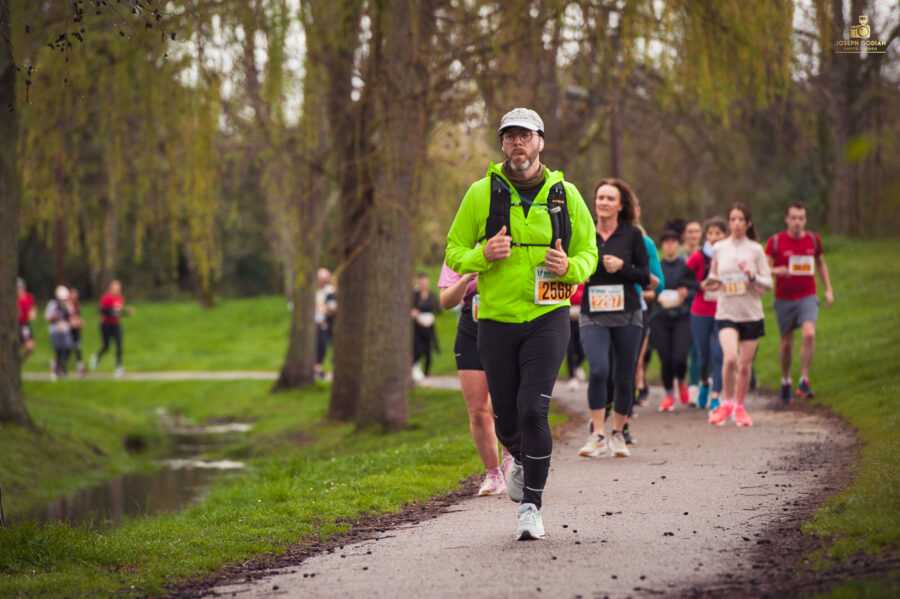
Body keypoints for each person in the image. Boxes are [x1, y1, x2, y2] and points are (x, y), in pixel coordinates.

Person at [446, 107, 598, 541]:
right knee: (507, 416)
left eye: (525, 136)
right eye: (510, 136)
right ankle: (519, 456)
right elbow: (454, 250)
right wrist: (482, 257)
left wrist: (569, 267)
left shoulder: (565, 195)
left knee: (535, 408)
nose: (518, 143)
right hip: (496, 320)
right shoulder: (480, 193)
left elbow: (589, 252)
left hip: (548, 318)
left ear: (540, 143)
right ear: (502, 145)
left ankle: (531, 506)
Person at [577, 178, 649, 459]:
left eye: (610, 198)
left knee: (624, 375)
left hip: (628, 314)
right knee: (597, 370)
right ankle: (596, 435)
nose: (604, 202)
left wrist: (623, 267)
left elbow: (645, 277)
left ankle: (617, 434)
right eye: (600, 197)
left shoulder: (632, 235)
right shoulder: (584, 234)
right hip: (593, 313)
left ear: (621, 205)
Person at [438, 263, 514, 496]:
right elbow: (445, 301)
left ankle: (511, 456)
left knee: (504, 402)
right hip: (472, 327)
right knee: (477, 410)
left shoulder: (515, 237)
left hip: (507, 325)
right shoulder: (462, 247)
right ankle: (493, 474)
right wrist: (466, 279)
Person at [703, 204, 773, 427]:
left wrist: (752, 276)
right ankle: (726, 402)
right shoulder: (719, 248)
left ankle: (740, 407)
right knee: (730, 358)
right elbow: (712, 276)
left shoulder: (755, 250)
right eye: (732, 219)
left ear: (748, 223)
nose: (735, 223)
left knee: (744, 365)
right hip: (726, 312)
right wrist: (711, 284)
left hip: (750, 314)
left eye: (740, 219)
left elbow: (769, 283)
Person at [765, 202, 834, 403]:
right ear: (787, 219)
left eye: (801, 218)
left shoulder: (814, 240)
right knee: (786, 343)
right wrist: (776, 270)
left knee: (809, 333)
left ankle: (804, 380)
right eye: (793, 218)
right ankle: (786, 379)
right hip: (784, 298)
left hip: (808, 296)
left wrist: (828, 289)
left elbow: (820, 262)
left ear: (805, 219)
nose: (797, 222)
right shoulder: (776, 241)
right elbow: (763, 266)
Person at [652, 230, 698, 411]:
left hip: (682, 316)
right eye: (666, 242)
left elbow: (696, 288)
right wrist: (655, 295)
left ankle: (681, 380)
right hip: (660, 316)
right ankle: (669, 395)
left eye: (673, 241)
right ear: (662, 246)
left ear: (679, 245)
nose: (670, 245)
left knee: (679, 356)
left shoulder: (686, 266)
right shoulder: (657, 267)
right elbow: (648, 288)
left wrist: (687, 293)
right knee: (665, 357)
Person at [686, 217, 728, 410]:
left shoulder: (730, 255)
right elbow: (682, 278)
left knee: (719, 354)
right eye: (710, 233)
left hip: (724, 311)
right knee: (703, 354)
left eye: (718, 233)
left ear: (725, 235)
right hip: (701, 312)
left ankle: (716, 396)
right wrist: (699, 285)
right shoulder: (698, 257)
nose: (713, 237)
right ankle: (704, 383)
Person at [681, 219, 703, 402]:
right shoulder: (680, 257)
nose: (694, 235)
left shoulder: (708, 255)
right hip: (682, 308)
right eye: (690, 231)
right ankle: (687, 384)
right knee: (687, 349)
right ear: (684, 235)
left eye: (697, 231)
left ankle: (699, 384)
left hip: (704, 304)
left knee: (701, 347)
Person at [91, 279, 128, 377]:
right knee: (106, 346)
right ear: (111, 288)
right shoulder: (106, 297)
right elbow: (101, 310)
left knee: (119, 345)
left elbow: (118, 312)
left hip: (116, 324)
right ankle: (96, 358)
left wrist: (126, 312)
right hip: (106, 324)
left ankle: (118, 367)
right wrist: (112, 312)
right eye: (115, 287)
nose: (117, 289)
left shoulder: (120, 298)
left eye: (119, 287)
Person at [411, 272, 440, 381]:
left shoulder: (432, 295)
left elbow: (438, 310)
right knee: (418, 350)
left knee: (428, 352)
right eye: (421, 280)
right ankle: (414, 370)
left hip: (429, 327)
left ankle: (426, 375)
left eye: (425, 280)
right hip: (418, 326)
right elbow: (412, 307)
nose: (423, 282)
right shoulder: (415, 295)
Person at [45, 285, 74, 380]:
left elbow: (70, 317)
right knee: (59, 350)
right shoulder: (53, 304)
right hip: (55, 329)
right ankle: (58, 369)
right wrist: (54, 316)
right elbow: (47, 318)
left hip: (65, 329)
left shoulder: (68, 305)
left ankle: (61, 366)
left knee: (67, 348)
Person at [314, 268, 337, 381]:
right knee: (320, 345)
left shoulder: (330, 291)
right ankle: (317, 368)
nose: (322, 282)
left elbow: (332, 307)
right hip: (317, 321)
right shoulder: (314, 291)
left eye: (324, 279)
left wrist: (325, 315)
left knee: (328, 345)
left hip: (327, 321)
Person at [565, 283, 587, 390]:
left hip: (582, 320)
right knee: (570, 348)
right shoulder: (570, 284)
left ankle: (577, 366)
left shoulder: (585, 285)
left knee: (583, 348)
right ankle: (572, 377)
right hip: (568, 320)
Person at [67, 287, 87, 377]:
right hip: (68, 330)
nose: (75, 296)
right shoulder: (66, 305)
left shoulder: (76, 305)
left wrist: (81, 323)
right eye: (73, 294)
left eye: (76, 294)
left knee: (77, 348)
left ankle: (80, 366)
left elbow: (77, 316)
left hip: (75, 330)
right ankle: (58, 364)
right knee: (67, 349)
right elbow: (67, 317)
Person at [16, 277, 37, 362]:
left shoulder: (29, 297)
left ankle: (18, 362)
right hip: (15, 325)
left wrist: (33, 313)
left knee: (30, 347)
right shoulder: (12, 298)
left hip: (24, 324)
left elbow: (33, 309)